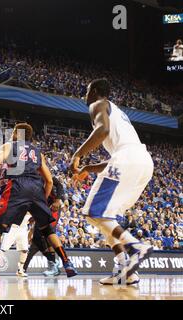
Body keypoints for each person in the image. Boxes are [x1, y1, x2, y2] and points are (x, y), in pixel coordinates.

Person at [0, 123, 77, 282]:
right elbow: (49, 181)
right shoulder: (38, 152)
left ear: (17, 134)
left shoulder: (10, 146)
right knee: (47, 230)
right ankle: (66, 262)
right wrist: (41, 201)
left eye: (13, 131)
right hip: (36, 188)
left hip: (17, 187)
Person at [70, 78, 154, 285]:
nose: (85, 95)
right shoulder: (118, 112)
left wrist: (77, 155)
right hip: (142, 162)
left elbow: (102, 131)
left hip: (128, 159)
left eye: (87, 90)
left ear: (96, 91)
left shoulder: (97, 104)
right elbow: (120, 153)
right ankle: (126, 269)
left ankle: (135, 247)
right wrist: (89, 168)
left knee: (93, 212)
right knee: (105, 219)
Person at [0, 212, 32, 277]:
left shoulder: (31, 207)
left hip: (23, 229)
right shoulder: (18, 204)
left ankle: (20, 270)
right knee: (2, 249)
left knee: (24, 250)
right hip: (12, 228)